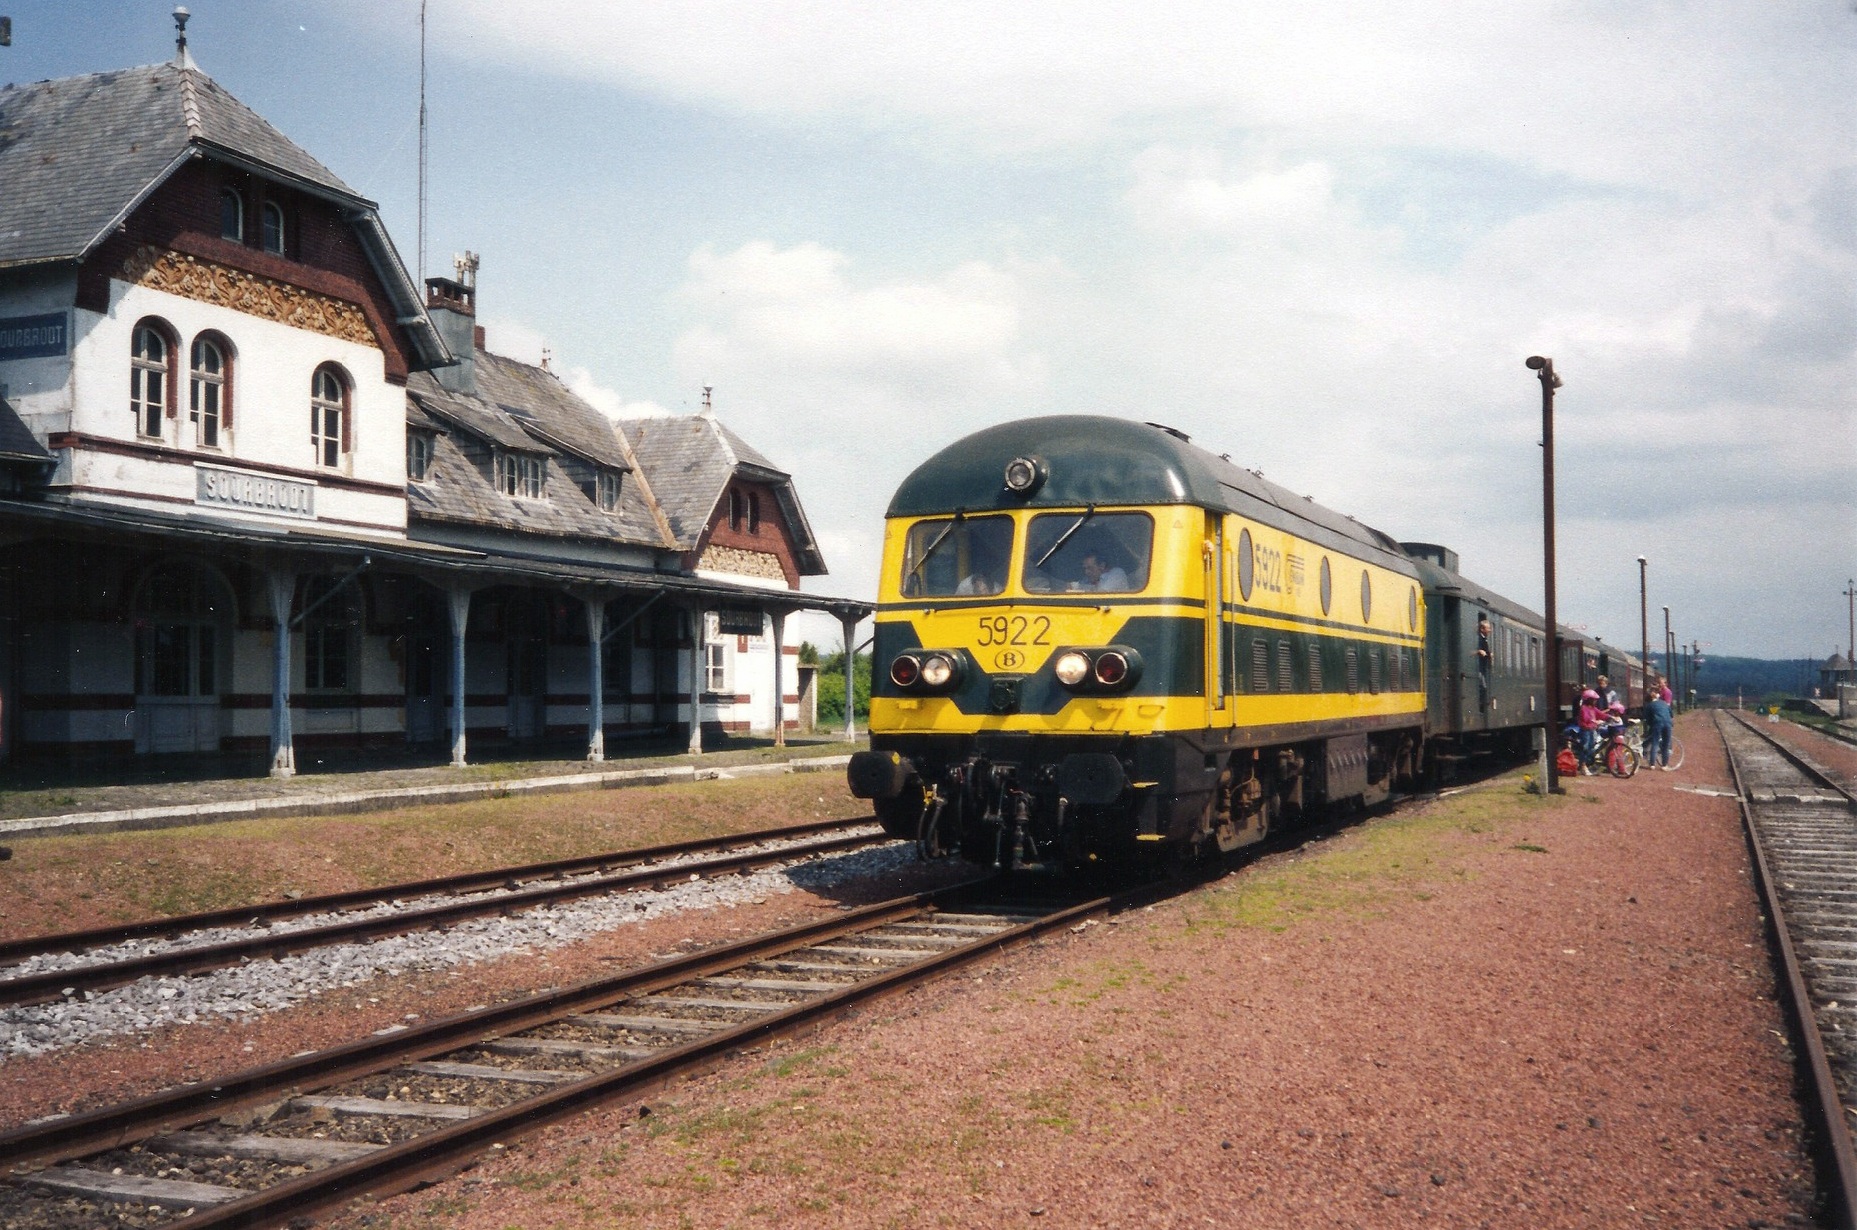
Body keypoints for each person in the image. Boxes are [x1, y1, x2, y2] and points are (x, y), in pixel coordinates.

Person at [1576, 689, 1604, 773]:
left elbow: (1600, 714)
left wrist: (1610, 717)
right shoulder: (1584, 708)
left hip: (1592, 730)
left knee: (1591, 747)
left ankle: (1588, 764)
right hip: (1585, 730)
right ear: (1589, 699)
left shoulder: (1593, 708)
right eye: (1594, 699)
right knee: (1585, 747)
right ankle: (1583, 765)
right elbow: (1586, 718)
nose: (1595, 701)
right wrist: (1594, 721)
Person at [1645, 688, 1674, 770]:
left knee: (1655, 743)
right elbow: (1671, 714)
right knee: (1665, 744)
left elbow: (1647, 718)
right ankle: (1664, 765)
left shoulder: (1649, 705)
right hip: (1668, 724)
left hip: (1657, 724)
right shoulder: (1664, 703)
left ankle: (1652, 765)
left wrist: (1651, 725)